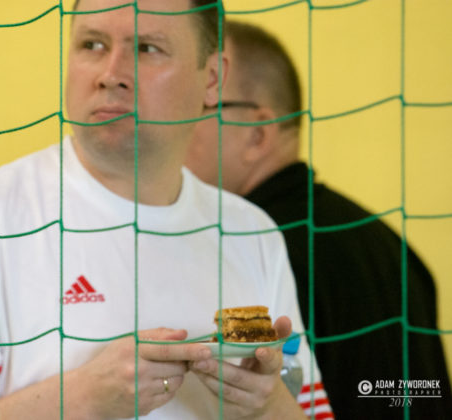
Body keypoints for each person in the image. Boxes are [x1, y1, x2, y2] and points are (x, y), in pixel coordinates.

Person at [0, 2, 333, 419]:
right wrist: (80, 402)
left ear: (212, 79)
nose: (111, 73)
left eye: (146, 48)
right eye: (92, 44)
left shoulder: (251, 232)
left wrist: (266, 406)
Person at [185, 20, 452, 419]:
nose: (174, 127)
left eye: (197, 108)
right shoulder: (387, 242)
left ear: (257, 134)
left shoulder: (252, 251)